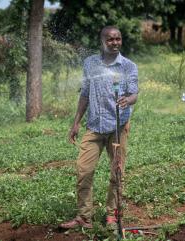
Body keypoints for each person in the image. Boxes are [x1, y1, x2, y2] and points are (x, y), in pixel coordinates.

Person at [59, 26, 139, 229]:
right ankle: (84, 218)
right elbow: (85, 94)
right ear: (102, 41)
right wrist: (76, 122)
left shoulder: (128, 66)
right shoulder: (90, 63)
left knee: (117, 172)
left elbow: (134, 94)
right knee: (84, 170)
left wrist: (126, 100)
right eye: (110, 39)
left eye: (118, 39)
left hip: (117, 127)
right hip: (94, 126)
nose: (115, 43)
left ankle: (112, 215)